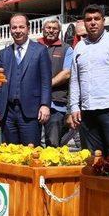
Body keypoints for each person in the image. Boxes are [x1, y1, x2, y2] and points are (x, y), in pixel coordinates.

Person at [68, 5, 109, 156]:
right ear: (84, 23)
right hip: (87, 111)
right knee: (91, 158)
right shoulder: (79, 47)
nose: (93, 22)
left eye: (96, 19)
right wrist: (74, 107)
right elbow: (75, 80)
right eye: (89, 19)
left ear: (103, 21)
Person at [0, 13, 52, 146]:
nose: (18, 31)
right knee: (9, 154)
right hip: (8, 113)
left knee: (30, 154)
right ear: (10, 29)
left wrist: (45, 105)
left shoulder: (40, 51)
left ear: (28, 28)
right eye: (14, 27)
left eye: (21, 27)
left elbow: (46, 81)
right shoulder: (4, 53)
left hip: (31, 112)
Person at [38, 17, 74, 147]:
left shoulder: (67, 49)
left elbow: (67, 73)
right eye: (48, 28)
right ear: (43, 29)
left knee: (52, 144)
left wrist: (45, 86)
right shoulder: (34, 46)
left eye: (54, 28)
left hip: (56, 104)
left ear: (59, 31)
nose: (51, 31)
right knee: (31, 144)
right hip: (33, 103)